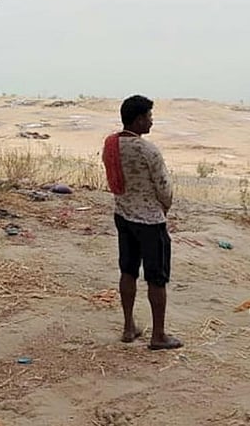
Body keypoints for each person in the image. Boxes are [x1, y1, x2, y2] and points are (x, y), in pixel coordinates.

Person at [102, 95, 182, 350]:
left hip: (123, 215)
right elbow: (164, 188)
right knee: (157, 278)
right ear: (137, 120)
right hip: (149, 221)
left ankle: (129, 327)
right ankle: (158, 335)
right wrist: (164, 209)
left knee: (128, 270)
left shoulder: (111, 145)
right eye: (148, 116)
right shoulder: (148, 150)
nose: (151, 121)